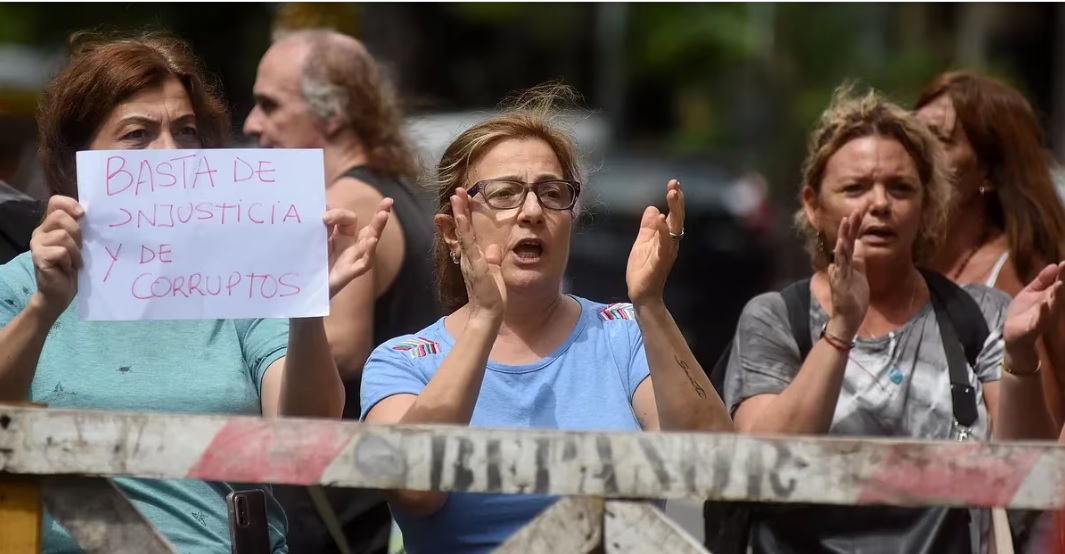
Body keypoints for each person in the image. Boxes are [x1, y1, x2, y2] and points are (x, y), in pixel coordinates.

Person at [0, 31, 392, 554]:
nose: (170, 154)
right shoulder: (24, 282)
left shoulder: (242, 281)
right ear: (79, 162)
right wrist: (45, 309)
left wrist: (303, 302)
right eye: (138, 135)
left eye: (185, 132)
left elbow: (307, 429)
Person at [358, 83, 734, 554]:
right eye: (505, 194)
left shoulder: (624, 334)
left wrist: (651, 305)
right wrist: (484, 322)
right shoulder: (402, 362)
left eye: (552, 193)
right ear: (454, 231)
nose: (533, 211)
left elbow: (714, 465)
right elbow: (415, 489)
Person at [722, 85, 1061, 554]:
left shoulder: (980, 315)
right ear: (814, 206)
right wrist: (840, 329)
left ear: (927, 206)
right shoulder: (775, 317)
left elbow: (1031, 473)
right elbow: (763, 460)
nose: (879, 204)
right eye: (855, 188)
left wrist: (1021, 355)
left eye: (900, 188)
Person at [243, 28, 438, 554]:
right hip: (381, 492)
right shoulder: (394, 191)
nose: (251, 124)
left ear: (331, 114)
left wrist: (241, 344)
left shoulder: (343, 200)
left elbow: (345, 346)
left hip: (343, 503)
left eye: (269, 105)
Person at [914, 71, 1065, 432]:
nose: (915, 155)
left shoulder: (1021, 274)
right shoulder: (898, 264)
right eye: (912, 136)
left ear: (988, 174)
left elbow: (1037, 435)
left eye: (939, 141)